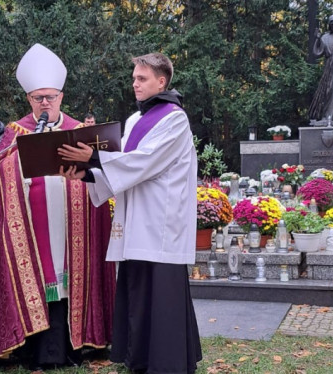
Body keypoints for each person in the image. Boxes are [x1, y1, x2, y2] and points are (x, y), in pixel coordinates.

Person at [57, 52, 202, 374]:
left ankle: (168, 363)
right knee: (138, 290)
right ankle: (140, 359)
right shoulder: (136, 120)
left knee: (162, 294)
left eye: (142, 79)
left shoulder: (174, 117)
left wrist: (94, 158)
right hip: (136, 215)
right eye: (134, 78)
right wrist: (87, 173)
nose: (134, 84)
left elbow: (146, 161)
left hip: (161, 219)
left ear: (161, 81)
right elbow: (122, 168)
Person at [0, 43, 116, 369]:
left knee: (70, 281)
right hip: (33, 225)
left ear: (61, 98)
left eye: (50, 97)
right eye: (38, 98)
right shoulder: (15, 133)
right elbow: (0, 181)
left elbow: (103, 177)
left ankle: (75, 346)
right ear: (28, 99)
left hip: (72, 226)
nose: (44, 103)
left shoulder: (82, 133)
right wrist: (16, 173)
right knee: (41, 281)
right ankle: (35, 349)